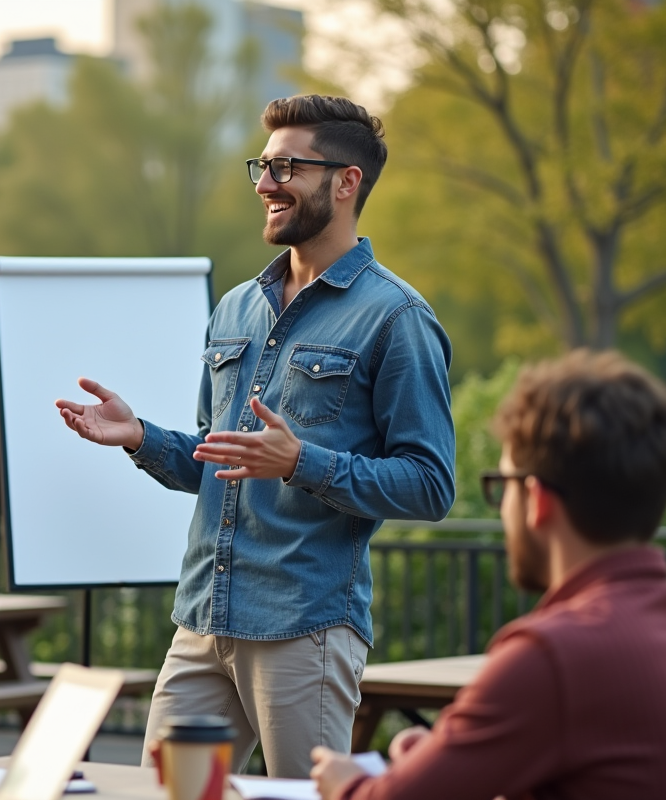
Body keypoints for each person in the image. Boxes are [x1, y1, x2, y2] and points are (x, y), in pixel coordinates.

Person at [55, 94, 455, 777]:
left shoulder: (397, 318)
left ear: (346, 181)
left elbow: (430, 485)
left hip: (304, 627)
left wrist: (302, 461)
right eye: (261, 167)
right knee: (163, 797)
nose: (266, 185)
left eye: (285, 167)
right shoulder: (236, 306)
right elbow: (219, 460)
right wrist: (140, 437)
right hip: (202, 621)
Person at [311, 349, 666, 800]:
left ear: (537, 499)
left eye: (502, 485)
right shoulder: (665, 623)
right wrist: (455, 762)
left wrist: (347, 783)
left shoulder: (550, 658)